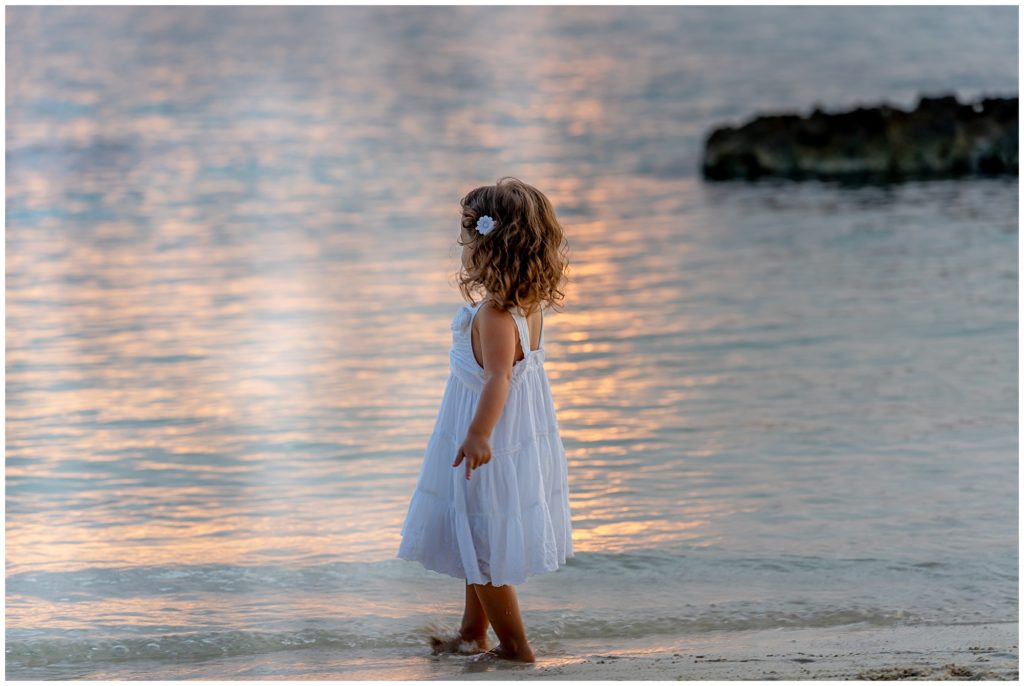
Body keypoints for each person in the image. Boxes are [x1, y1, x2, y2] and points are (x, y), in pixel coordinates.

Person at [396, 176, 574, 663]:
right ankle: (473, 630)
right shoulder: (527, 308)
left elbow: (499, 378)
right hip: (514, 439)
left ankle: (515, 647)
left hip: (491, 441)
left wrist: (477, 434)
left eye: (468, 241)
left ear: (489, 247)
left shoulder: (494, 317)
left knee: (482, 537)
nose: (463, 251)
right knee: (474, 532)